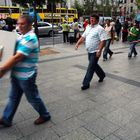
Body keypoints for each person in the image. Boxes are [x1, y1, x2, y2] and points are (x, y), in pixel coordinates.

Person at [0, 15, 51, 127]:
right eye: (18, 23)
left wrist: (3, 69)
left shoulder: (31, 38)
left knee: (33, 98)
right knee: (13, 97)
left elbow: (17, 57)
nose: (19, 26)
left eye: (22, 24)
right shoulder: (21, 36)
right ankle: (6, 119)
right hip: (16, 74)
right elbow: (9, 48)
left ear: (30, 24)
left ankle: (45, 115)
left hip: (26, 76)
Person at [75, 14, 106, 90]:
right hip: (89, 51)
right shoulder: (88, 27)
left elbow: (103, 40)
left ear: (97, 20)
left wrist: (99, 50)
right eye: (90, 19)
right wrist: (78, 43)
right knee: (94, 65)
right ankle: (102, 75)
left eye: (93, 19)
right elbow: (83, 37)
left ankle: (86, 83)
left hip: (95, 51)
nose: (91, 20)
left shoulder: (100, 29)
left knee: (90, 67)